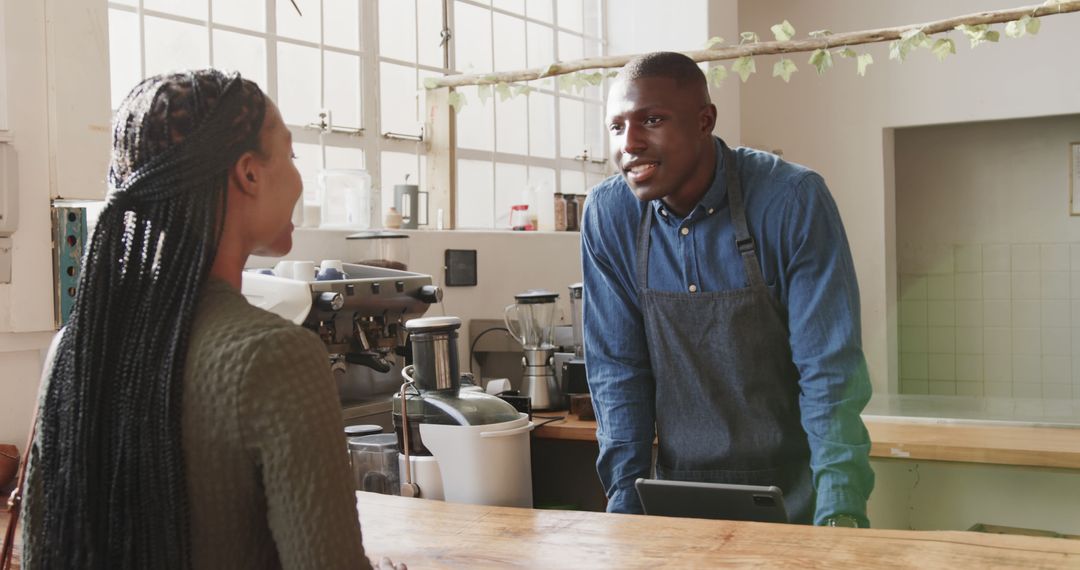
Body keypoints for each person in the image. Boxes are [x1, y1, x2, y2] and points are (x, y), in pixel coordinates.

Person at [20, 70, 402, 569]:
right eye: (290, 154)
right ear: (248, 173)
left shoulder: (74, 349)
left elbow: (40, 553)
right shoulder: (274, 356)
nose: (297, 178)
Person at [580, 52, 875, 527]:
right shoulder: (608, 215)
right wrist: (624, 509)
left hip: (800, 492)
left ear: (705, 121)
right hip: (674, 498)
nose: (629, 143)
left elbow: (829, 373)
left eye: (651, 120)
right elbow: (617, 372)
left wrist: (840, 510)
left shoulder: (792, 200)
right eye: (616, 128)